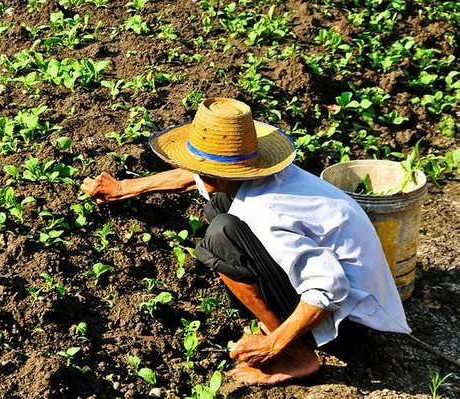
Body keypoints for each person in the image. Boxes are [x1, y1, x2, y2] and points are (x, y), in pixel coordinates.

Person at [80, 98, 411, 385]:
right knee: (221, 207)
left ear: (216, 175)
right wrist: (125, 188)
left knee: (221, 235)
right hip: (355, 297)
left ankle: (297, 356)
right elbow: (198, 178)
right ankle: (287, 334)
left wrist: (273, 345)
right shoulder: (264, 174)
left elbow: (330, 287)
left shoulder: (267, 211)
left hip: (346, 326)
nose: (197, 175)